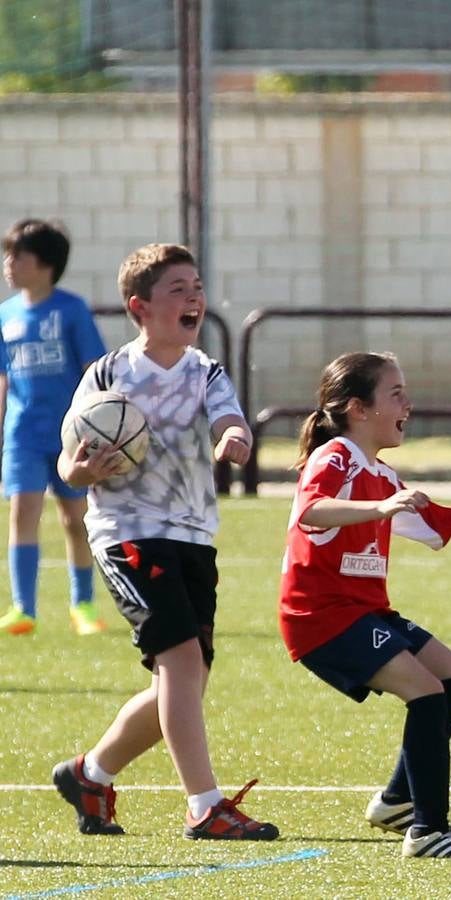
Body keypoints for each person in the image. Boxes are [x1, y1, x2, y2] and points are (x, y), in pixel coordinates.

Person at [279, 351, 451, 860]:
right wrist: (380, 508)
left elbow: (437, 525)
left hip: (364, 612)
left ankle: (396, 801)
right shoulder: (335, 456)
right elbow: (312, 512)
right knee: (426, 694)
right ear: (359, 409)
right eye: (397, 393)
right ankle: (429, 831)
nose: (409, 403)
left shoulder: (380, 474)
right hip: (320, 616)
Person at [50, 243, 277, 840]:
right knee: (180, 661)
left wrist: (234, 438)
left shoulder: (206, 371)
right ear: (140, 307)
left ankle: (90, 774)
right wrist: (83, 472)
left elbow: (230, 417)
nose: (194, 297)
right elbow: (69, 464)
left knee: (186, 679)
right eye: (178, 289)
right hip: (128, 534)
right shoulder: (108, 375)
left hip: (193, 535)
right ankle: (205, 805)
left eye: (197, 286)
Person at [0, 219, 108, 636]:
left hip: (69, 436)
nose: (9, 263)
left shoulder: (71, 309)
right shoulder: (6, 315)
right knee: (22, 512)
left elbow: (91, 371)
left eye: (18, 255)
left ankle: (83, 604)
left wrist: (95, 423)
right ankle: (23, 609)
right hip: (22, 433)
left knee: (73, 518)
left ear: (45, 264)